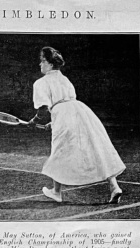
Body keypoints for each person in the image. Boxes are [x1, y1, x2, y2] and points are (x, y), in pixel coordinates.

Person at [28, 47, 125, 205]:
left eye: (43, 61)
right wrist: (53, 122)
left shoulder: (41, 83)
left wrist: (35, 120)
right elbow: (67, 103)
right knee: (96, 147)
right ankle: (114, 187)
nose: (40, 64)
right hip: (82, 112)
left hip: (65, 115)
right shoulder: (65, 80)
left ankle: (56, 192)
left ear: (51, 64)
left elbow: (44, 107)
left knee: (59, 151)